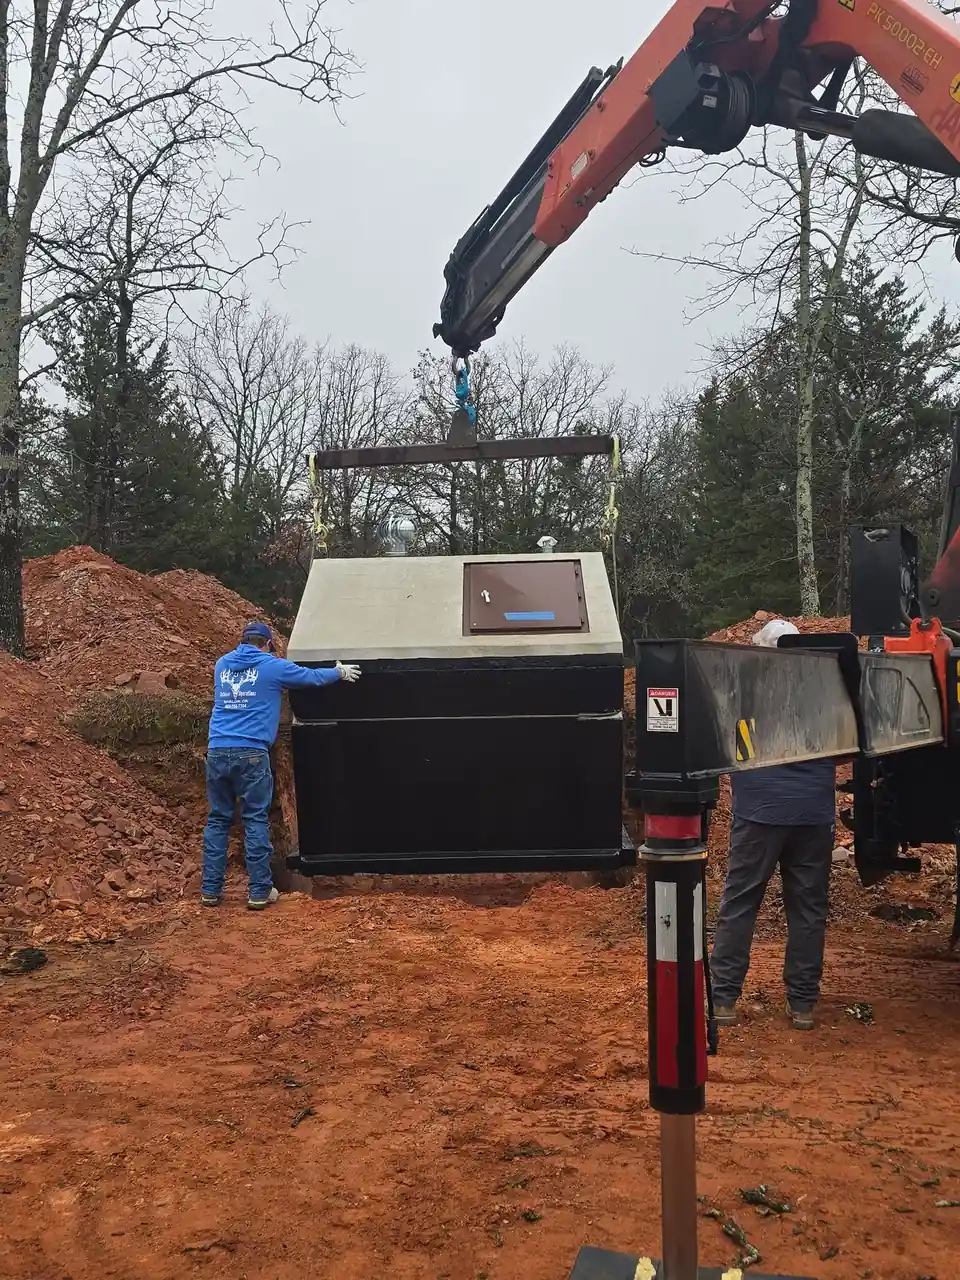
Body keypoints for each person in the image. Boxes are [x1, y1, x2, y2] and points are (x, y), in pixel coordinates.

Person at [710, 619, 836, 1032]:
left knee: (741, 904)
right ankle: (802, 1006)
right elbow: (842, 747)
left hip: (760, 813)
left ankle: (724, 999)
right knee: (808, 910)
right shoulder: (822, 690)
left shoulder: (746, 691)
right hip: (813, 815)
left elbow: (735, 749)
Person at [200, 621, 360, 910]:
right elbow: (309, 678)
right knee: (254, 820)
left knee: (218, 820)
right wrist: (339, 672)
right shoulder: (272, 666)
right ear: (268, 644)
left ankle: (210, 891)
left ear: (242, 641)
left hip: (217, 751)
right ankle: (260, 891)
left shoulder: (222, 664)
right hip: (251, 753)